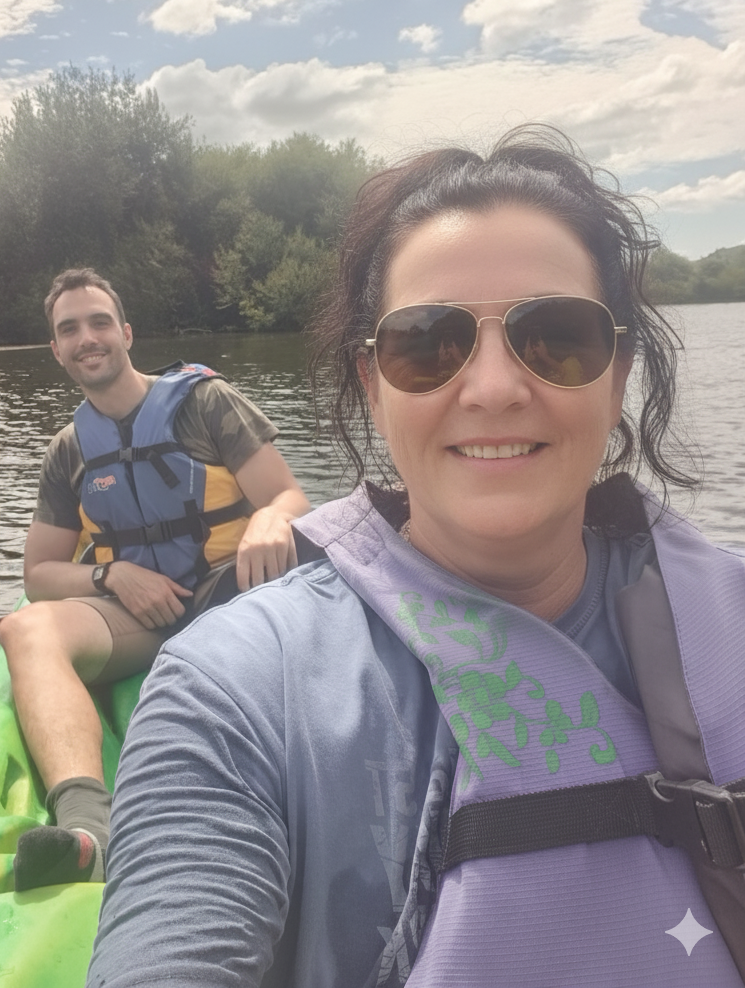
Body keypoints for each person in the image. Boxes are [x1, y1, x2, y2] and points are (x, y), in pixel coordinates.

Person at [85, 128, 745, 987]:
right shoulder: (234, 694)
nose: (497, 386)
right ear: (374, 385)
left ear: (617, 377)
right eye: (428, 344)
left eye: (558, 337)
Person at [0, 267, 310, 892]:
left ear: (126, 332)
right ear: (56, 350)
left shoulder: (205, 403)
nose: (87, 338)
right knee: (25, 627)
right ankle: (89, 829)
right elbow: (39, 574)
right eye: (70, 329)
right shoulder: (68, 451)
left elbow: (286, 496)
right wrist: (112, 575)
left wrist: (271, 522)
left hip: (231, 593)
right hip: (143, 614)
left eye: (99, 323)